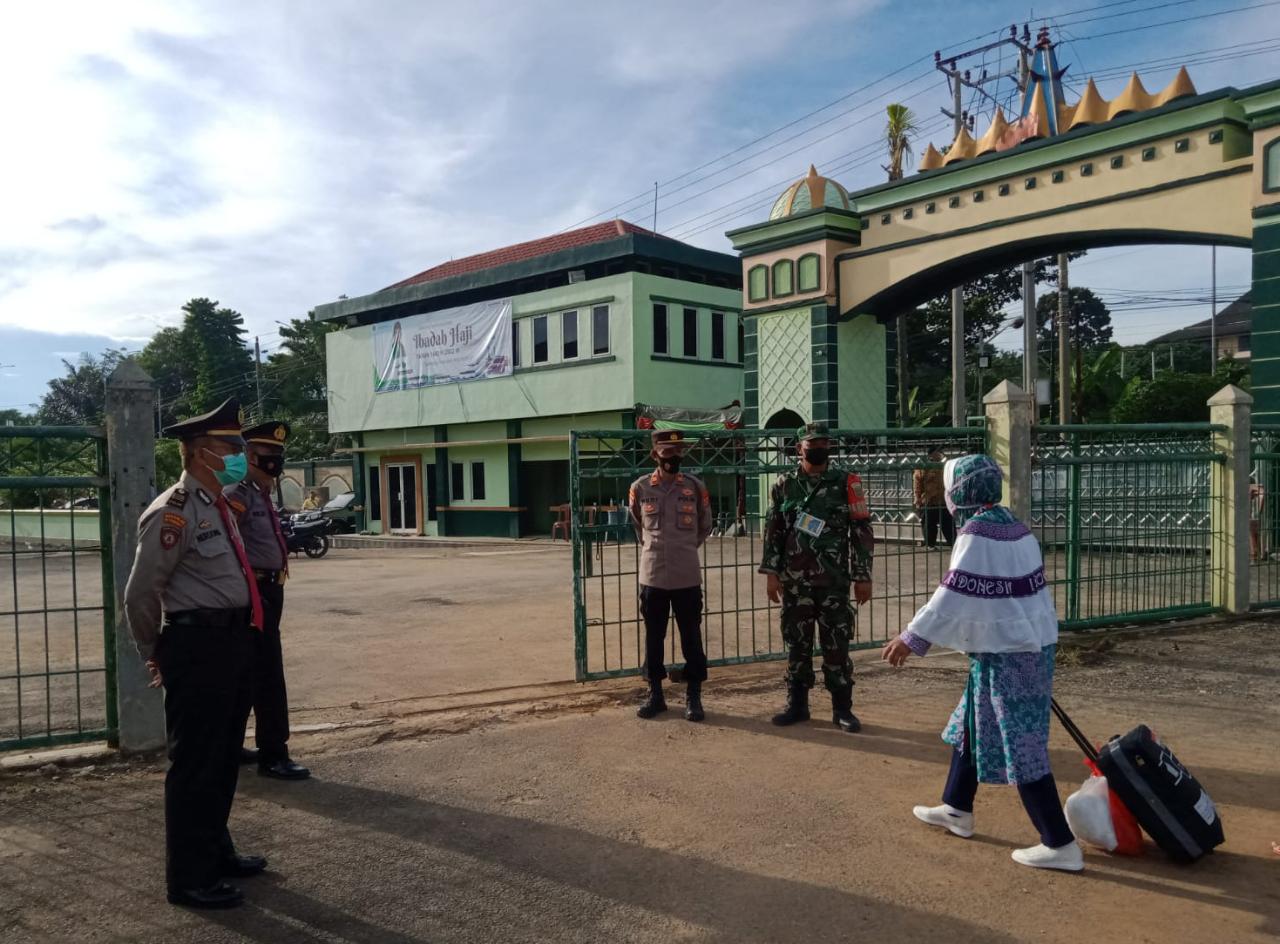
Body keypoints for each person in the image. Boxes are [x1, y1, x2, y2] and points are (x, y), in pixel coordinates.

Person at [881, 453, 1084, 873]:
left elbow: (953, 595)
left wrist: (911, 638)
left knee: (1020, 742)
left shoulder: (977, 532)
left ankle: (1059, 842)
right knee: (973, 724)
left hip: (1010, 653)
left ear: (960, 492)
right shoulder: (1014, 526)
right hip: (1024, 647)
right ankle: (957, 807)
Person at [123, 398, 267, 909]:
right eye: (231, 447)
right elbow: (141, 594)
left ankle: (215, 852)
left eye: (240, 446)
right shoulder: (173, 513)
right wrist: (154, 651)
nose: (239, 455)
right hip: (196, 645)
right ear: (201, 453)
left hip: (231, 642)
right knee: (195, 766)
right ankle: (188, 878)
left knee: (224, 757)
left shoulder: (220, 506)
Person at [760, 423, 874, 733]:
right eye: (812, 443)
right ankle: (797, 705)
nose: (818, 447)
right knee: (797, 644)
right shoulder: (784, 485)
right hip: (795, 582)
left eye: (824, 442)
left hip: (834, 582)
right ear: (799, 448)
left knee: (836, 645)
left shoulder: (847, 482)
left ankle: (842, 709)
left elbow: (861, 531)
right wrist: (771, 573)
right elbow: (775, 532)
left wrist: (862, 575)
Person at [226, 421, 310, 781]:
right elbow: (227, 545)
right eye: (267, 454)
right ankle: (274, 754)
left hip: (270, 591)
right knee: (266, 674)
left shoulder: (260, 492)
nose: (274, 460)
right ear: (247, 455)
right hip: (252, 593)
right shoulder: (238, 493)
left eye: (278, 454)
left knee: (250, 672)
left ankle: (231, 746)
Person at [627, 429, 712, 721]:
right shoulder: (640, 488)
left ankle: (694, 696)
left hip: (687, 575)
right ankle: (656, 695)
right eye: (667, 451)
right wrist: (657, 547)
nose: (673, 457)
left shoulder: (695, 487)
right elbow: (638, 525)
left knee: (691, 636)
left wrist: (682, 547)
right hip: (653, 576)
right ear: (655, 454)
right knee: (654, 637)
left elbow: (704, 526)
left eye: (678, 451)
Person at [913, 449, 955, 548]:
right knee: (929, 525)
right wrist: (917, 499)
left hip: (943, 500)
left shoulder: (945, 466)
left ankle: (954, 544)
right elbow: (917, 485)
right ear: (931, 455)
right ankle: (930, 545)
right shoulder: (923, 467)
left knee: (948, 525)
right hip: (929, 501)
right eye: (936, 453)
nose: (939, 455)